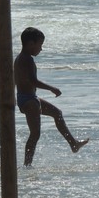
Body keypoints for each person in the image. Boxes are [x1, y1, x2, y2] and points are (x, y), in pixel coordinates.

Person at [14, 27, 89, 166]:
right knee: (35, 134)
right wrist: (52, 89)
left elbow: (16, 79)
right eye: (40, 45)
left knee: (57, 113)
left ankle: (73, 144)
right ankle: (27, 165)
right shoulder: (26, 60)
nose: (41, 49)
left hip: (28, 98)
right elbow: (33, 81)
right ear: (30, 44)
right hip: (29, 100)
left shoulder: (20, 58)